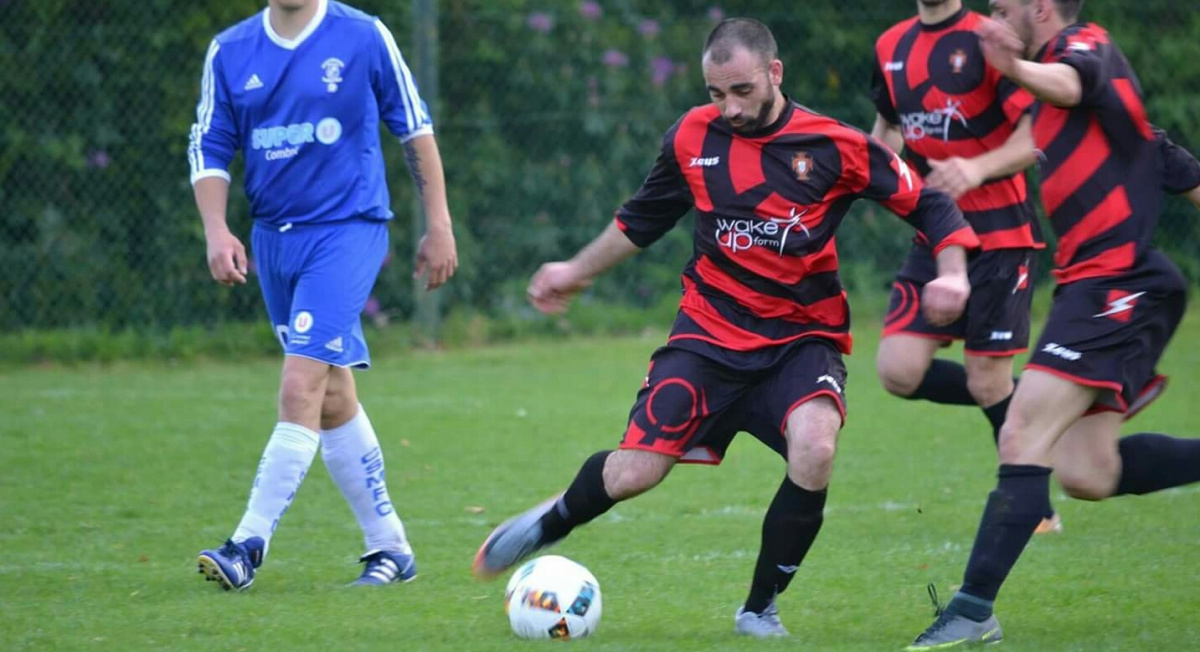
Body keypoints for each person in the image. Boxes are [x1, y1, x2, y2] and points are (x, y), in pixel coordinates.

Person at [471, 17, 979, 638]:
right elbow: (642, 219)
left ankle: (759, 609)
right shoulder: (691, 136)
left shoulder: (834, 145)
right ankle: (551, 522)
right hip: (708, 336)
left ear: (774, 73)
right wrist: (574, 271)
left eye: (742, 90)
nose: (730, 107)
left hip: (800, 339)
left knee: (816, 446)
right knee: (635, 474)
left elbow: (929, 202)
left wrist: (953, 273)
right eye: (717, 93)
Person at [908, 0, 1200, 647]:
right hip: (1093, 285)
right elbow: (1168, 159)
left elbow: (1070, 82)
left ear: (1040, 7)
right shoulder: (1074, 102)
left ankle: (972, 610)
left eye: (1002, 7)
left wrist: (1012, 65)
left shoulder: (1084, 48)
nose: (990, 15)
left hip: (1119, 282)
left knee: (1021, 430)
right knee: (1088, 473)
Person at [187, 0, 458, 590]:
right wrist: (216, 229)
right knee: (331, 396)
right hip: (274, 240)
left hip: (347, 230)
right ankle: (392, 549)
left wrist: (438, 223)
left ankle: (246, 546)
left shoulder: (363, 35)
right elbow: (209, 145)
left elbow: (414, 127)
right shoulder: (230, 51)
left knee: (299, 384)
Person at [870, 0, 1063, 534]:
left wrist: (976, 168)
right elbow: (886, 130)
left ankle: (1037, 508)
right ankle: (1038, 403)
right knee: (898, 370)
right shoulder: (890, 45)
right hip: (936, 235)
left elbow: (1034, 137)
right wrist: (863, 179)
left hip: (1002, 238)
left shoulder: (989, 37)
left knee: (986, 380)